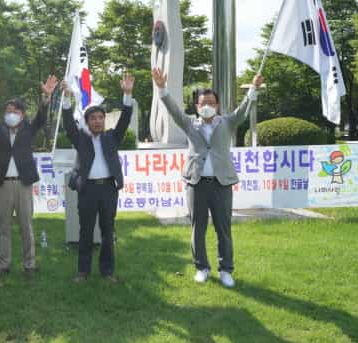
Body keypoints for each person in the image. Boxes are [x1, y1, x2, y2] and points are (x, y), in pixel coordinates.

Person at [152, 67, 263, 288]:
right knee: (198, 227)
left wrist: (253, 89)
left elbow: (243, 110)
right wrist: (162, 89)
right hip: (196, 184)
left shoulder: (227, 122)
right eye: (203, 103)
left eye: (211, 103)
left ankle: (226, 270)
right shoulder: (189, 124)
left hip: (221, 184)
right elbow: (174, 111)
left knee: (223, 228)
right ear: (197, 106)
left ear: (217, 105)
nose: (207, 107)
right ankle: (201, 267)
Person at [61, 73, 135, 283]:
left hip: (108, 190)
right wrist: (67, 99)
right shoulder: (80, 139)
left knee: (107, 232)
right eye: (93, 118)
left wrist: (127, 95)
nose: (98, 121)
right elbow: (68, 124)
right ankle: (83, 272)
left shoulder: (112, 137)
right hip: (87, 190)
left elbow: (125, 119)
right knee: (85, 232)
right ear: (87, 122)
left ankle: (107, 271)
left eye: (101, 118)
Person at [0, 75, 58, 278]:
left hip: (24, 185)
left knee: (26, 226)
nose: (11, 114)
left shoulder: (28, 128)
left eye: (15, 111)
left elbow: (42, 118)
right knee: (3, 227)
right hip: (3, 185)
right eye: (8, 111)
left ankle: (29, 264)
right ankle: (3, 265)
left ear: (23, 114)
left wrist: (46, 97)